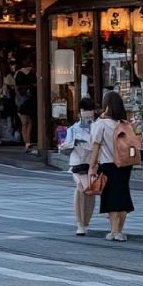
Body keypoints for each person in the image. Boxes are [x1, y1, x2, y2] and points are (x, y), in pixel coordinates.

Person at [88, 90, 134, 242]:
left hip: (108, 165)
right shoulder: (125, 124)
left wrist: (91, 167)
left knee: (111, 198)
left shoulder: (101, 125)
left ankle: (114, 231)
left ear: (106, 106)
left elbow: (95, 147)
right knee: (123, 195)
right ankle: (119, 231)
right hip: (125, 164)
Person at [58, 97, 97, 236]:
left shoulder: (97, 126)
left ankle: (86, 221)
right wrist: (71, 144)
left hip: (93, 163)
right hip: (78, 163)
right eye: (85, 111)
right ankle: (80, 223)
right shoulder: (73, 129)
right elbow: (64, 146)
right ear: (80, 112)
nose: (88, 114)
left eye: (90, 111)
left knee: (91, 190)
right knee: (81, 188)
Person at [14, 62, 37, 154]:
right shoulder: (21, 74)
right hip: (24, 100)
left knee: (27, 122)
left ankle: (27, 142)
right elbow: (18, 87)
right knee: (26, 122)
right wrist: (31, 86)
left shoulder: (19, 74)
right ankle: (27, 142)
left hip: (25, 100)